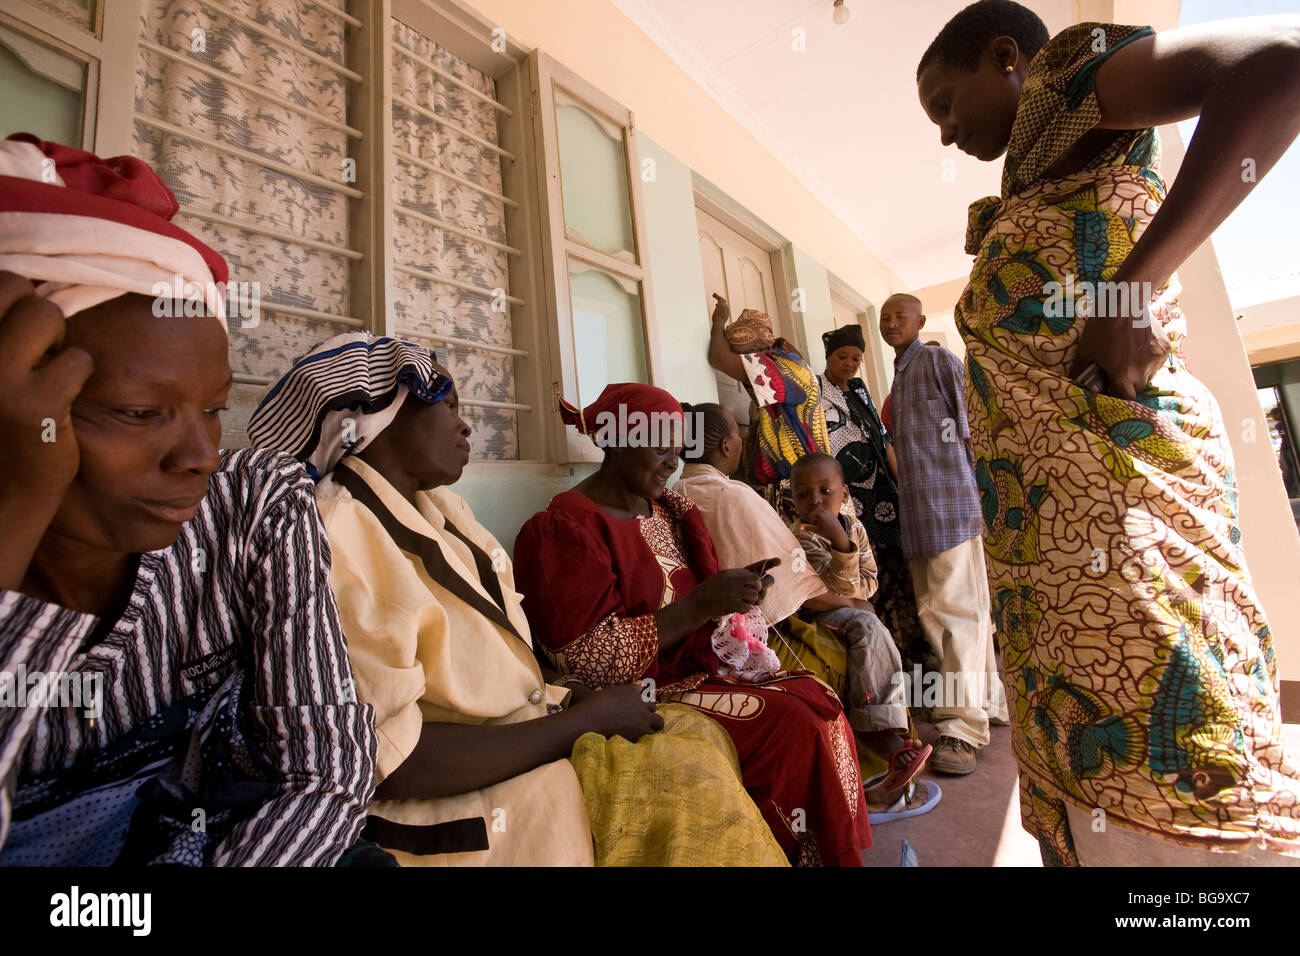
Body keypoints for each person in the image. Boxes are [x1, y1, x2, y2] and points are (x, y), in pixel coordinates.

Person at [917, 0, 1300, 863]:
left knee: (1175, 748)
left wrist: (1137, 286)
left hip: (1127, 527)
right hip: (1053, 564)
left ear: (1007, 57)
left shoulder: (1068, 79)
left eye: (946, 104)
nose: (945, 134)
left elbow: (1280, 63)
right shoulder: (1042, 173)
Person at [248, 334, 786, 867]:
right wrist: (579, 720)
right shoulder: (336, 533)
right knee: (697, 795)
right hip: (475, 798)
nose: (465, 425)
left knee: (706, 747)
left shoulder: (442, 511)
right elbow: (389, 757)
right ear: (377, 417)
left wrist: (562, 695)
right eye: (448, 406)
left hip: (540, 729)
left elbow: (497, 664)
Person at [0, 134, 377, 866]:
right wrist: (18, 503)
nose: (201, 457)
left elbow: (325, 768)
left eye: (212, 409)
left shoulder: (254, 501)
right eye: (140, 413)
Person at [514, 384, 871, 866]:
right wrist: (701, 604)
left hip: (698, 672)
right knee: (794, 724)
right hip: (643, 693)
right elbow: (587, 663)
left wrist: (736, 598)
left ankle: (829, 855)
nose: (671, 464)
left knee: (817, 699)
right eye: (660, 447)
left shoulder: (670, 511)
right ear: (617, 440)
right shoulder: (565, 528)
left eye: (678, 452)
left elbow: (707, 615)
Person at [880, 292, 1008, 777]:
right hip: (918, 516)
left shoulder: (935, 359)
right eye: (885, 317)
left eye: (901, 315)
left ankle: (961, 728)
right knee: (945, 614)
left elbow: (971, 425)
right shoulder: (898, 376)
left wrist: (984, 493)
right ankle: (989, 704)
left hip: (951, 506)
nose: (892, 322)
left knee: (957, 617)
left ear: (920, 320)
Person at [787, 452, 933, 793]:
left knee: (874, 631)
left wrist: (845, 543)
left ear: (846, 494)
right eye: (803, 494)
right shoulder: (803, 538)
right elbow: (842, 590)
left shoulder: (857, 529)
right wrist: (839, 542)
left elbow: (869, 583)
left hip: (848, 609)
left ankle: (893, 734)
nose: (815, 501)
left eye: (826, 490)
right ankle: (882, 737)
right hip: (817, 614)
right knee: (868, 626)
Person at [818, 324, 930, 673]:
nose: (850, 363)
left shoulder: (860, 391)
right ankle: (888, 664)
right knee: (871, 581)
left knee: (902, 576)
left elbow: (884, 441)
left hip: (884, 495)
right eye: (842, 356)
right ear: (828, 357)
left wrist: (904, 486)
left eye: (856, 358)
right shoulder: (815, 390)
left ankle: (918, 661)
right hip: (853, 500)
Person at [707, 293, 830, 522]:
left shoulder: (785, 369)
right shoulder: (780, 372)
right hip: (791, 487)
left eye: (743, 356)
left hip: (799, 491)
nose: (742, 362)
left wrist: (718, 321)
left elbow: (719, 358)